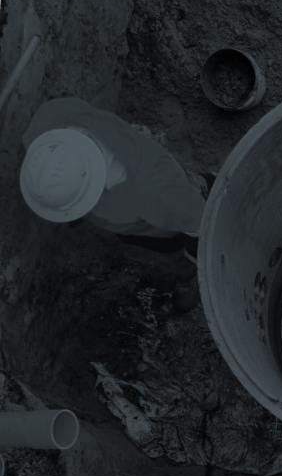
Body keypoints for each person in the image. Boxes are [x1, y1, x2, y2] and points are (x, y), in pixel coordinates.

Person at [19, 96, 215, 313]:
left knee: (176, 249)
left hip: (162, 228)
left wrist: (191, 257)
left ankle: (186, 273)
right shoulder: (52, 119)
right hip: (134, 220)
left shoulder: (157, 193)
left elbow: (203, 228)